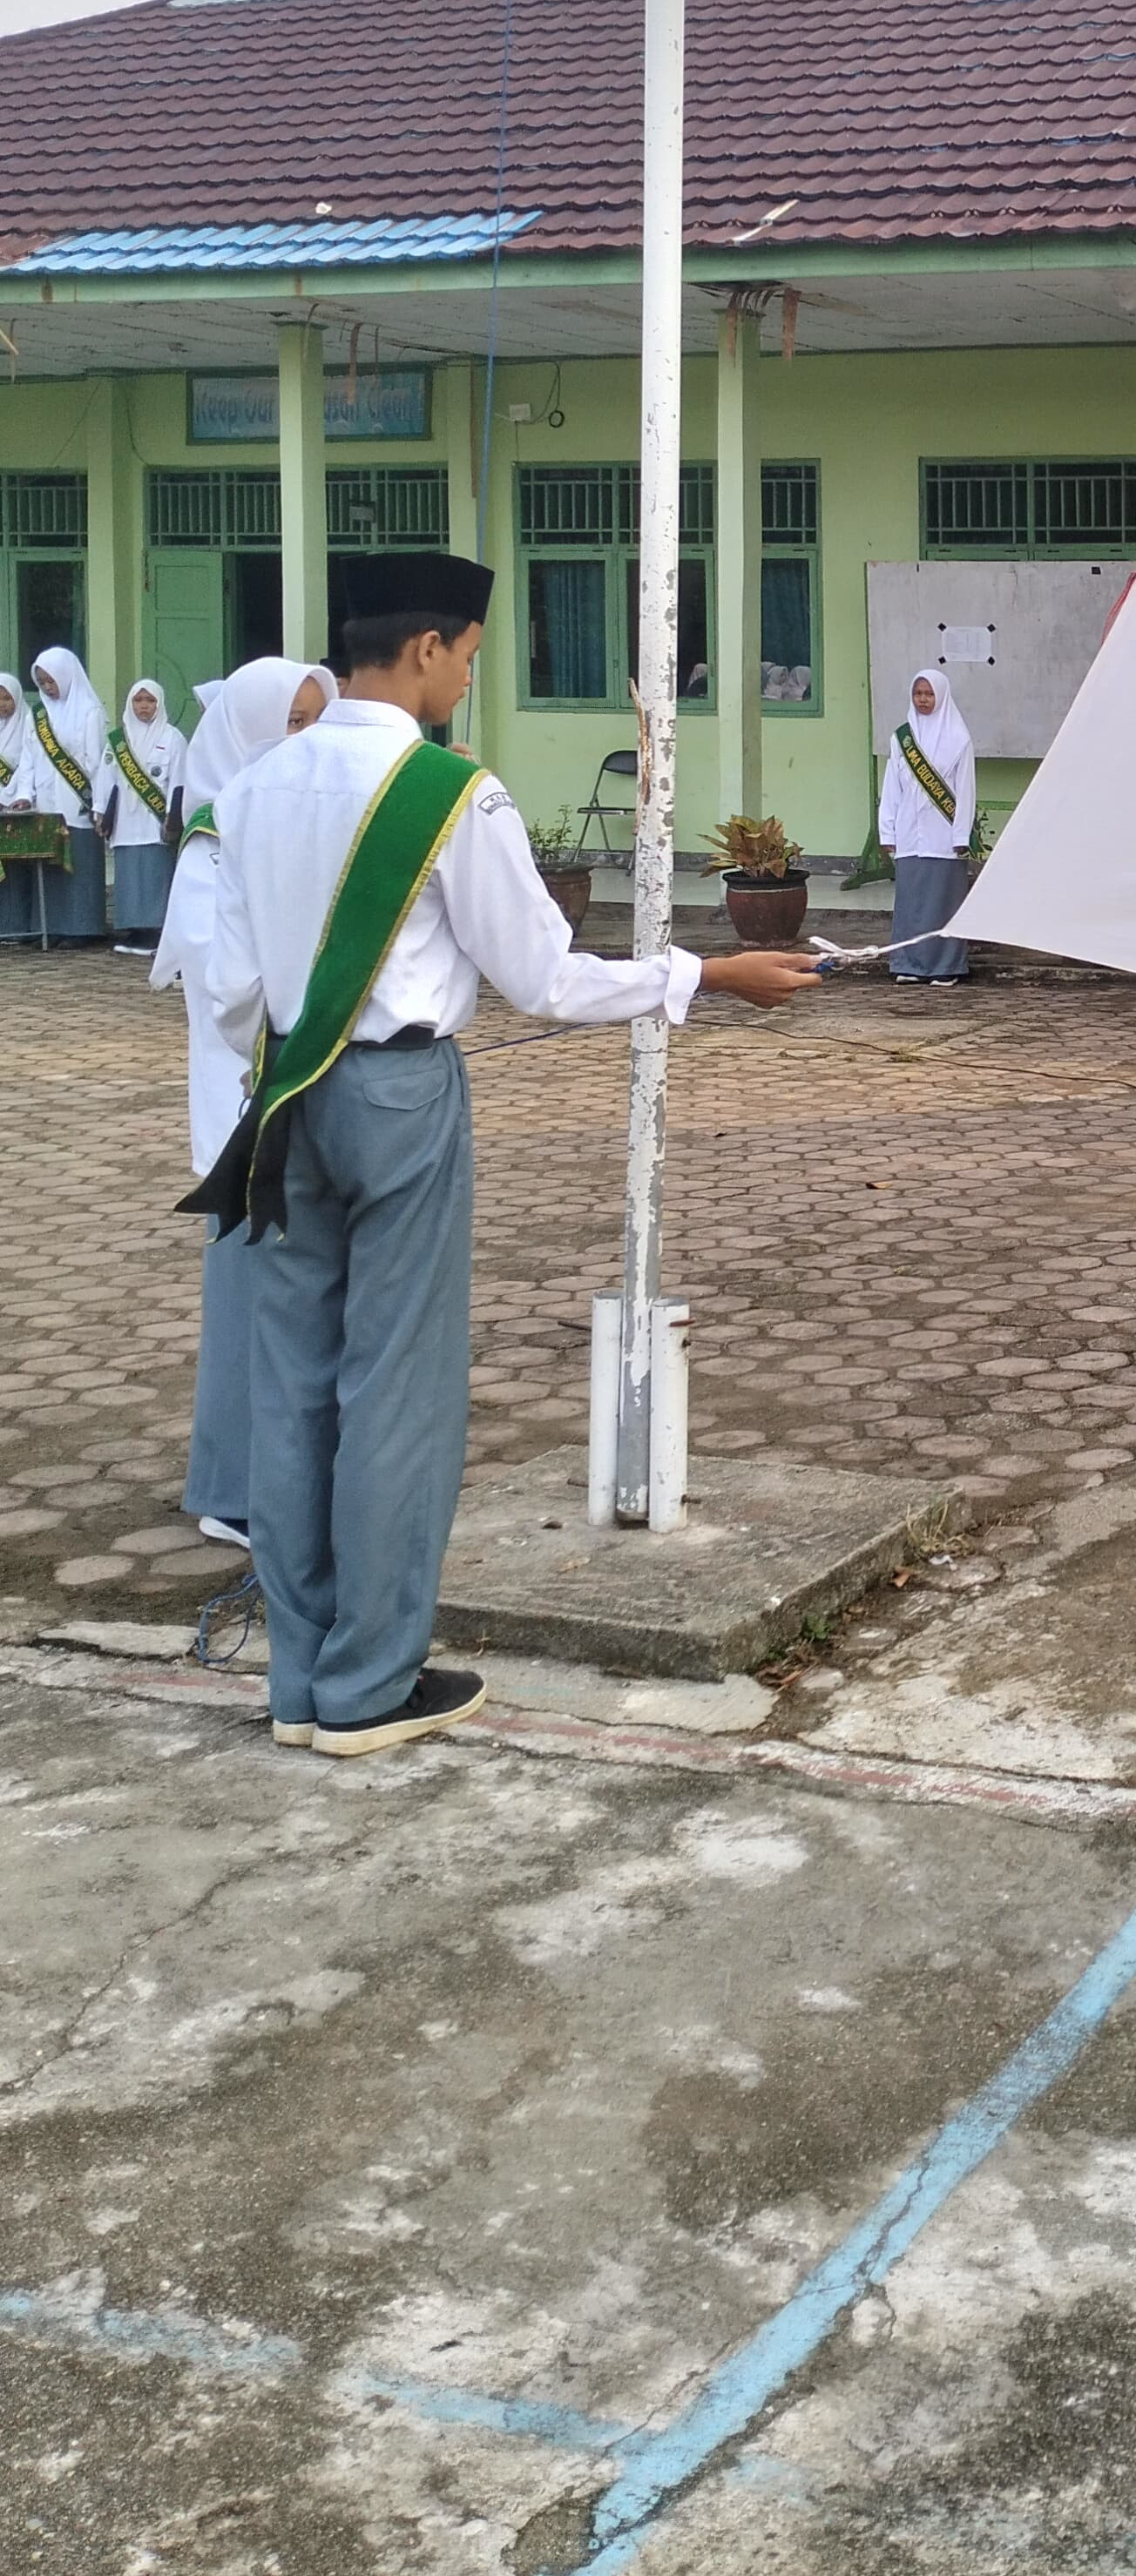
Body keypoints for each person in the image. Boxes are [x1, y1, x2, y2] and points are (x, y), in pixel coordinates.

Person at [195, 554, 818, 1758]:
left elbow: (228, 992)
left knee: (294, 1385)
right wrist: (705, 975)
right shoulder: (443, 794)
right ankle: (369, 1685)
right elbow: (541, 976)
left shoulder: (256, 787)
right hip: (395, 1096)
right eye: (472, 658)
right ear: (427, 648)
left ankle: (299, 1677)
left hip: (279, 1100)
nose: (469, 681)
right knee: (396, 1388)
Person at [151, 655, 334, 1548]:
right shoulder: (211, 845)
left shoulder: (283, 828)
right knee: (248, 1301)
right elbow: (230, 994)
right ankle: (232, 1493)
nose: (305, 741)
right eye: (290, 724)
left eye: (314, 721)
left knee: (294, 1302)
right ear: (246, 732)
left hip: (295, 1093)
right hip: (245, 1108)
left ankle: (287, 1480)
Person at [878, 665, 977, 985]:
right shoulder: (902, 738)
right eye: (918, 694)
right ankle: (908, 964)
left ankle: (946, 967)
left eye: (929, 694)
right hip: (909, 834)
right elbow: (892, 787)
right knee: (911, 903)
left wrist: (962, 833)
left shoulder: (959, 739)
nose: (923, 699)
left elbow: (965, 790)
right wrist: (887, 830)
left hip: (945, 836)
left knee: (943, 903)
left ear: (942, 695)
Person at [23, 646, 109, 942]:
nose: (48, 687)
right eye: (42, 682)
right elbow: (27, 758)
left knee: (80, 865)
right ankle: (53, 926)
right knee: (51, 866)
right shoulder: (38, 714)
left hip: (78, 802)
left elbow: (97, 762)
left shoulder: (90, 711)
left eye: (51, 680)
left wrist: (99, 804)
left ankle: (83, 928)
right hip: (46, 802)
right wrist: (24, 793)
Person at [99, 675, 188, 954]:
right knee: (129, 876)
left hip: (155, 821)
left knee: (154, 874)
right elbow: (106, 778)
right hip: (125, 820)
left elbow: (179, 780)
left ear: (159, 704)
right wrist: (100, 812)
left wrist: (173, 817)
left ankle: (156, 931)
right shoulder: (118, 739)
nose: (144, 706)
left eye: (150, 701)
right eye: (138, 700)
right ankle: (134, 930)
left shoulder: (173, 738)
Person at [0, 670, 35, 944]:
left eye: (6, 698)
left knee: (18, 870)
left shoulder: (29, 726)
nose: (2, 704)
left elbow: (28, 766)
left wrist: (20, 795)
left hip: (15, 808)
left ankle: (18, 926)